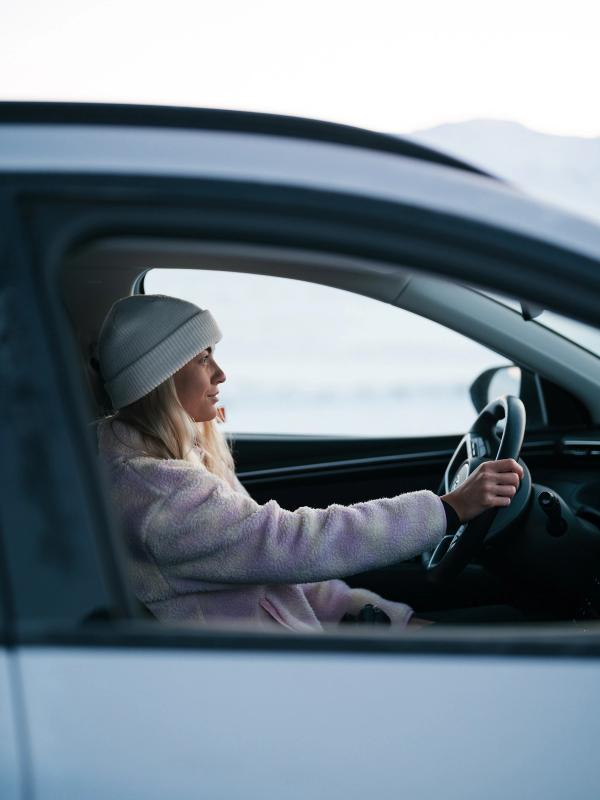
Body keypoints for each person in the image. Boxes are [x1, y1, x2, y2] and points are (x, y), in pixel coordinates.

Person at [95, 293, 523, 632]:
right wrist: (448, 509)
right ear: (161, 378)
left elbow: (281, 570)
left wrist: (393, 620)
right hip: (265, 687)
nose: (220, 374)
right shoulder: (160, 498)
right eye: (203, 358)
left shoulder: (180, 457)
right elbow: (292, 542)